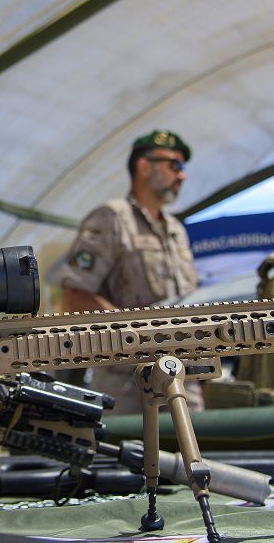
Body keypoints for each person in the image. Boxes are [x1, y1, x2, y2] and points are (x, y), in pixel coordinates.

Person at [60, 130, 199, 414]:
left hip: (185, 380)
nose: (182, 176)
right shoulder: (111, 218)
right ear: (144, 166)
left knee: (193, 456)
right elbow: (74, 296)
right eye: (175, 165)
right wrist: (140, 341)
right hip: (131, 385)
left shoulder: (176, 230)